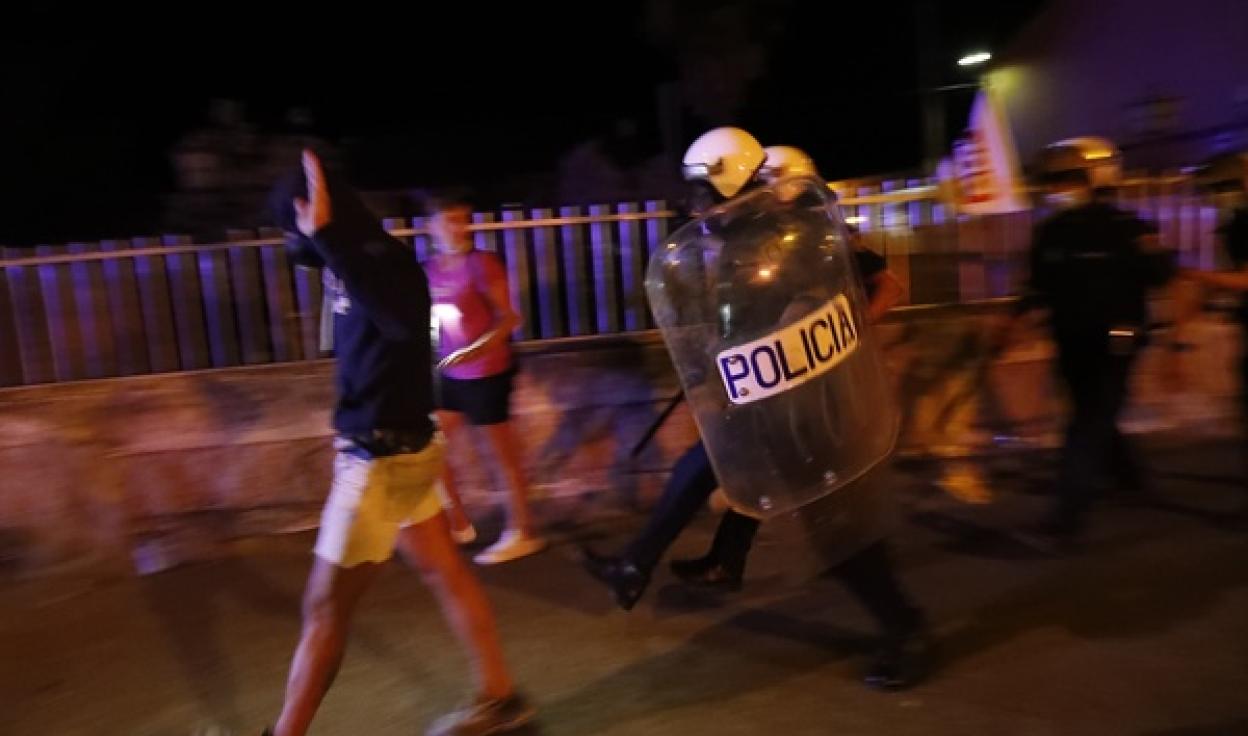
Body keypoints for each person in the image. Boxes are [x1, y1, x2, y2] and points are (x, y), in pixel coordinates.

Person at [186, 153, 533, 736]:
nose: (289, 240)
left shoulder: (376, 257)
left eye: (291, 224)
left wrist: (329, 238)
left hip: (379, 459)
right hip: (403, 448)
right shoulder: (349, 259)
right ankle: (501, 698)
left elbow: (404, 326)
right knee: (443, 571)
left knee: (325, 607)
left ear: (312, 211)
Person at [583, 130, 931, 690]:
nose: (697, 208)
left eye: (704, 193)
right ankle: (646, 563)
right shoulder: (747, 241)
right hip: (769, 400)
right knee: (703, 470)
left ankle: (905, 627)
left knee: (840, 532)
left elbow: (817, 305)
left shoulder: (787, 239)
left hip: (811, 409)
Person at [1005, 138, 1182, 550]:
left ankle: (1068, 511)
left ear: (1088, 180)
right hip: (1070, 340)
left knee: (1086, 422)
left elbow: (1162, 277)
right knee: (1095, 414)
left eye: (1065, 178)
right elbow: (1036, 286)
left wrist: (1175, 340)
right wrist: (1010, 321)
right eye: (1050, 180)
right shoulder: (1049, 231)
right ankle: (1131, 478)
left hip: (1117, 340)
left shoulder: (1126, 227)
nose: (1056, 187)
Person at [424, 192, 546, 564]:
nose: (460, 228)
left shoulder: (482, 264)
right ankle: (459, 523)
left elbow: (509, 318)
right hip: (447, 375)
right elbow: (431, 320)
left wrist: (475, 350)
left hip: (486, 372)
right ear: (431, 226)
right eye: (450, 220)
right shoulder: (427, 268)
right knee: (430, 449)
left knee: (501, 457)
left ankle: (522, 532)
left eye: (464, 219)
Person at [1181, 151, 1248, 510]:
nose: (1219, 195)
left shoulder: (1242, 224)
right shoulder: (1234, 224)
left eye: (1224, 187)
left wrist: (1195, 276)